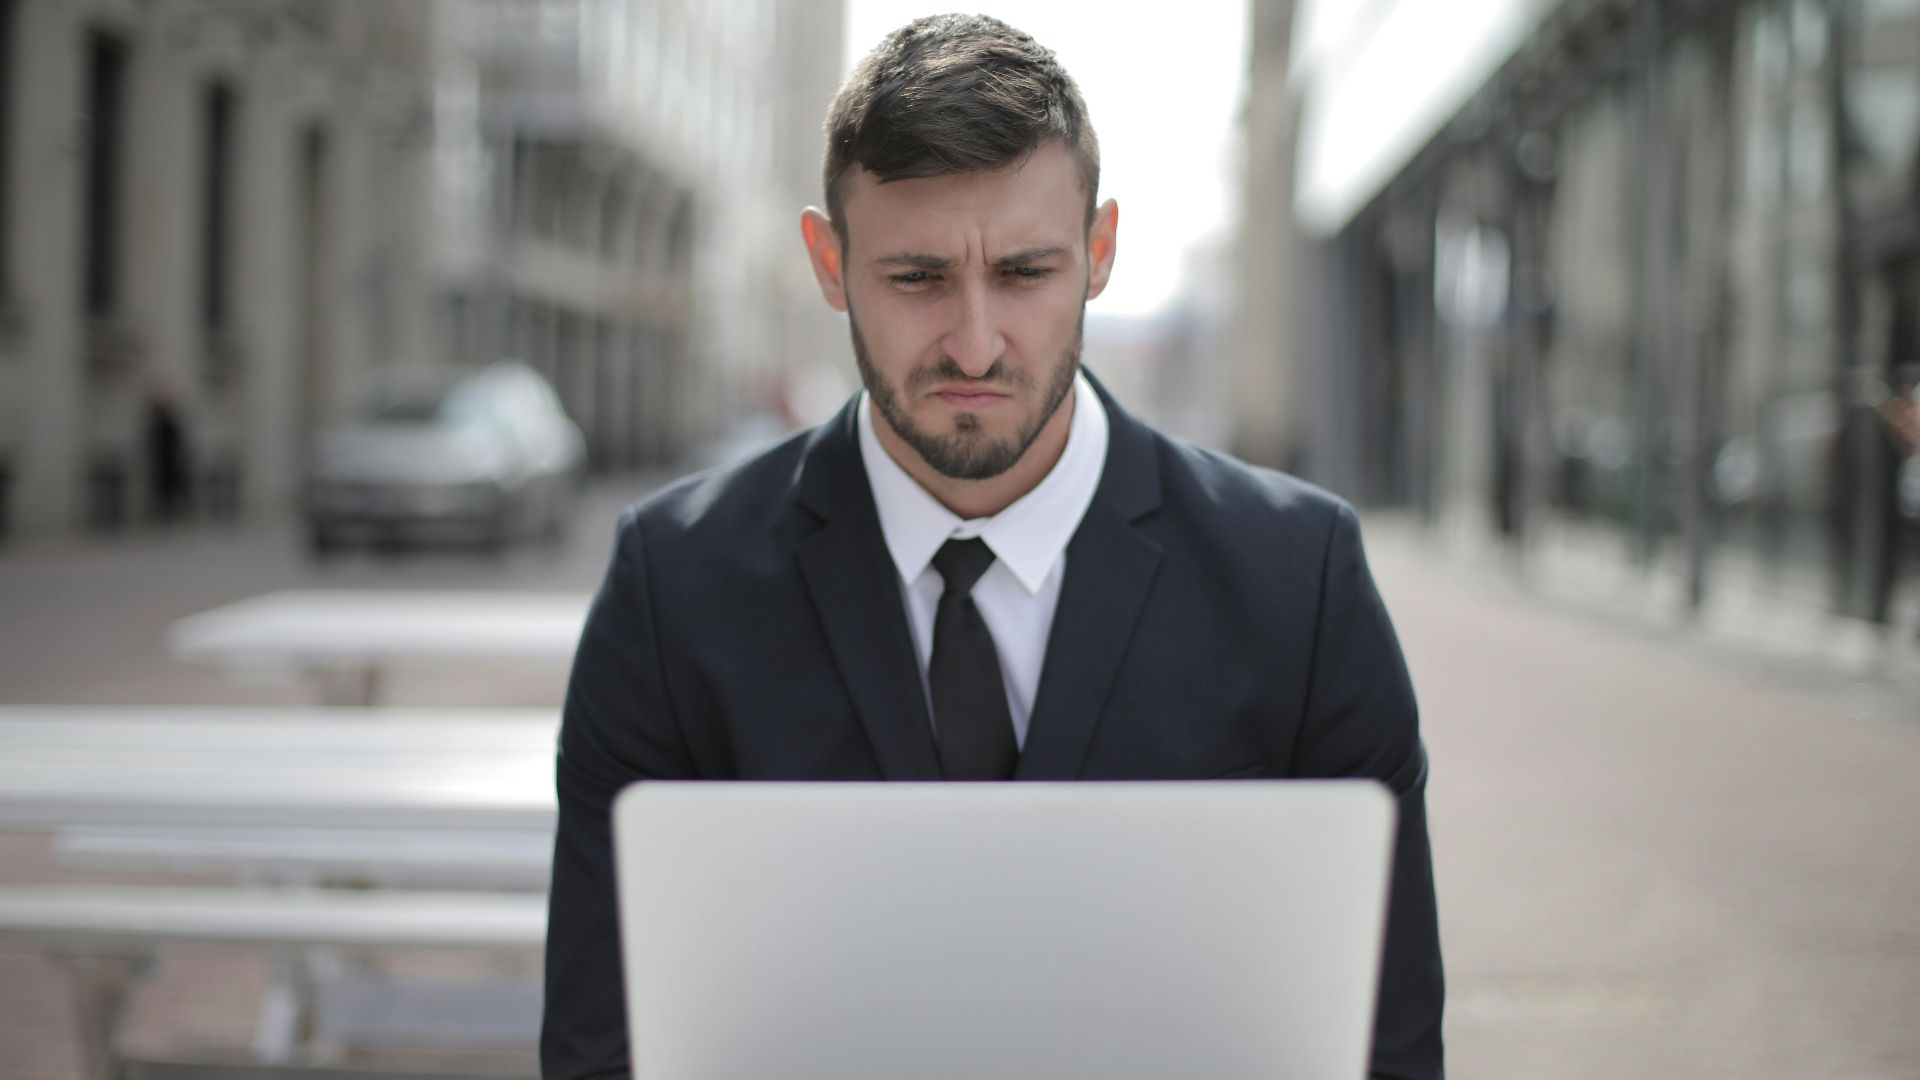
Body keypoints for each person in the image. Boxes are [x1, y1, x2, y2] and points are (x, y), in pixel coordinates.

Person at [542, 15, 1444, 1080]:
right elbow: (600, 1045)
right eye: (917, 279)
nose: (974, 344)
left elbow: (1387, 1046)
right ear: (829, 264)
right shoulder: (673, 589)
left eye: (1024, 271)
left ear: (1100, 253)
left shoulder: (1301, 582)